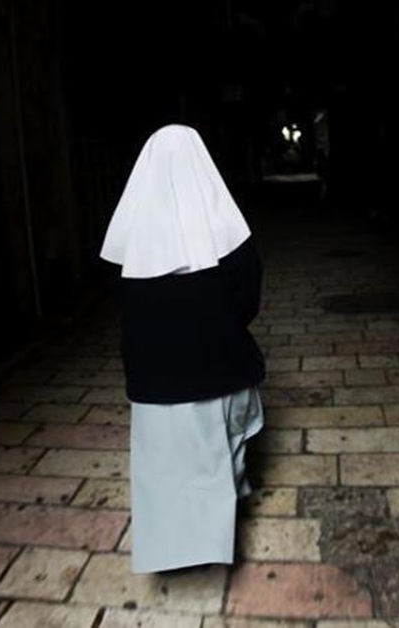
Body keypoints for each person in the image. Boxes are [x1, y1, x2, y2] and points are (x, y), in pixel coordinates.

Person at [99, 124, 265, 574]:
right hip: (221, 367)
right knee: (221, 451)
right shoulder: (227, 230)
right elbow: (248, 300)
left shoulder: (129, 239)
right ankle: (214, 535)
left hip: (154, 377)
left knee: (164, 465)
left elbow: (123, 305)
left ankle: (175, 547)